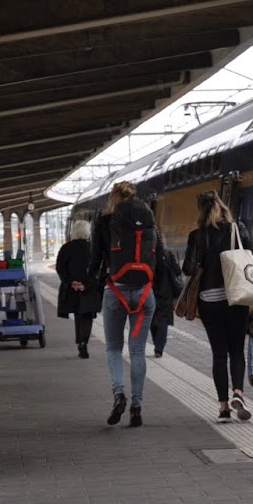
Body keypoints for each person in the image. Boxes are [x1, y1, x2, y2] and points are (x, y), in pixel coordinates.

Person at [88, 181, 160, 428]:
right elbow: (159, 255)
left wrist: (93, 281)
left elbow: (95, 260)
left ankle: (119, 395)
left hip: (115, 292)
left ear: (113, 197)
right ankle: (136, 408)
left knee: (113, 348)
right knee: (137, 352)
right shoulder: (148, 217)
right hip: (144, 294)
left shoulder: (104, 221)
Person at [183, 191, 253, 422]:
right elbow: (252, 259)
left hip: (209, 299)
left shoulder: (197, 236)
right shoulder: (237, 229)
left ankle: (223, 409)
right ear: (222, 206)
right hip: (236, 296)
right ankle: (238, 393)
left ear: (200, 211)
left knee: (219, 354)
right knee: (237, 350)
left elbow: (187, 268)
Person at [55, 221, 99, 359]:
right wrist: (86, 284)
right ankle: (84, 341)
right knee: (87, 315)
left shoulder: (66, 248)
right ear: (88, 232)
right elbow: (97, 269)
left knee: (78, 315)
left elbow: (60, 268)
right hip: (89, 289)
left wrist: (71, 282)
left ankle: (80, 341)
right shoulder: (93, 248)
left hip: (71, 290)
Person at [150, 241, 183, 359]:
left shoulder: (148, 255)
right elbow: (178, 271)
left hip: (151, 291)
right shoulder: (168, 254)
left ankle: (156, 344)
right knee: (163, 320)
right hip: (167, 293)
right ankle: (159, 348)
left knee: (152, 319)